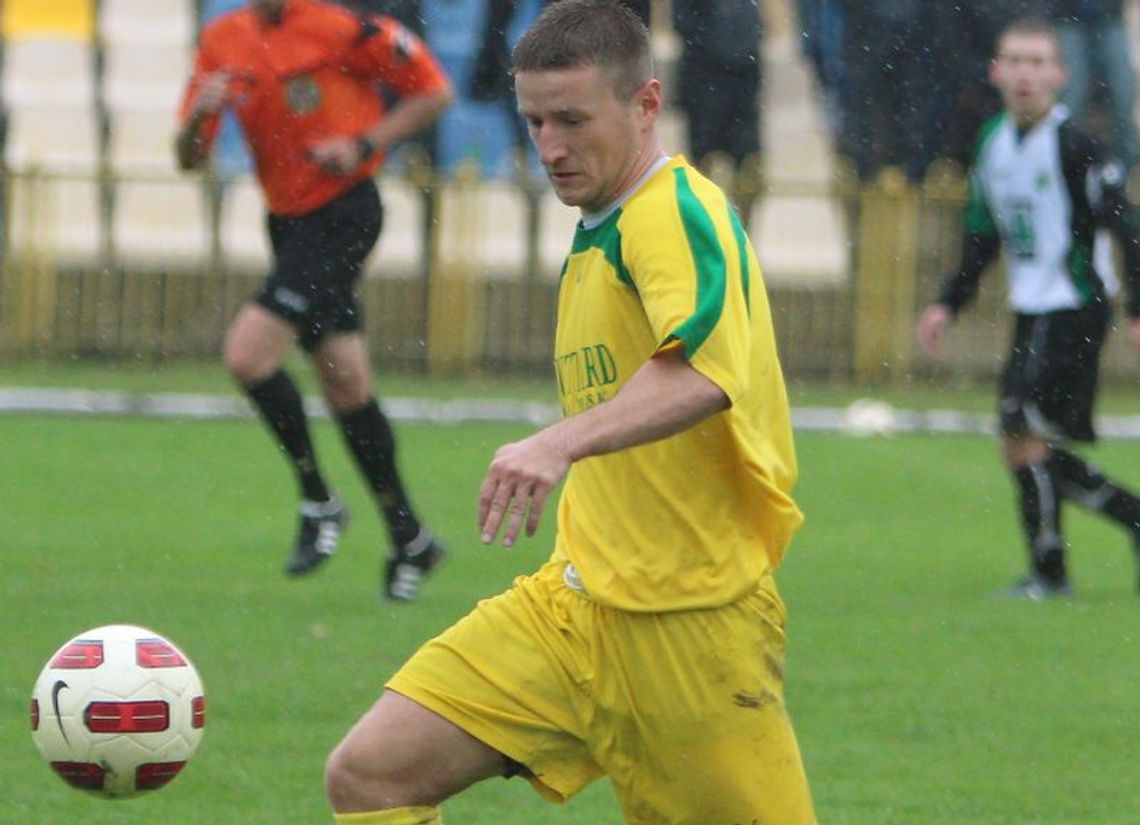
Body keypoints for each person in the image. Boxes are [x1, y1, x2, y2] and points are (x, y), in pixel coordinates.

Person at [323, 2, 816, 823]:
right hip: (573, 608)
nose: (550, 146)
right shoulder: (600, 227)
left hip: (688, 626)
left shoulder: (674, 213)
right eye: (535, 120)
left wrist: (557, 443)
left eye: (574, 120)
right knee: (371, 775)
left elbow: (701, 371)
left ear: (646, 104)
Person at [175, 0, 454, 600]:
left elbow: (433, 91)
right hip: (288, 224)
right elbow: (189, 159)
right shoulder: (222, 40)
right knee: (346, 385)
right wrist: (200, 116)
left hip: (345, 210)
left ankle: (318, 498)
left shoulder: (341, 27)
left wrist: (363, 142)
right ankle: (412, 538)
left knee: (249, 357)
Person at [916, 17, 1140, 600]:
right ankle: (1128, 519)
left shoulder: (1079, 146)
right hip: (1032, 308)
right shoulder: (991, 143)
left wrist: (1138, 308)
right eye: (1014, 60)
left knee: (1025, 433)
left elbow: (1127, 226)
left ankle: (1049, 575)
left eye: (1038, 62)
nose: (1025, 74)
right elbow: (982, 236)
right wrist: (948, 303)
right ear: (996, 71)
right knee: (1022, 442)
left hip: (1075, 306)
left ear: (1061, 76)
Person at [671, 0, 763, 217]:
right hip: (705, 74)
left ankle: (737, 241)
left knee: (748, 165)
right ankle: (706, 236)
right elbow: (682, 22)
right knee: (703, 166)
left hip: (739, 75)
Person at [1046, 0, 1139, 171]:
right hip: (1067, 18)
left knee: (1123, 96)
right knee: (1071, 101)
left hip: (1110, 16)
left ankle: (1122, 175)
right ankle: (1069, 171)